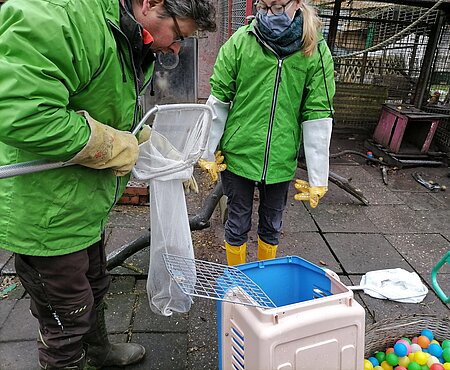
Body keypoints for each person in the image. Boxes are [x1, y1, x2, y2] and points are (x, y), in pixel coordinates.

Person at [0, 0, 216, 368]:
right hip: (45, 210)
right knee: (66, 316)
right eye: (179, 34)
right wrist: (111, 145)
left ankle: (99, 353)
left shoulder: (126, 35)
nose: (177, 48)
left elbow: (104, 109)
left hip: (82, 200)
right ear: (150, 3)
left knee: (95, 286)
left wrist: (149, 144)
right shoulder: (60, 17)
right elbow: (21, 113)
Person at [199, 0, 335, 266]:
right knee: (237, 220)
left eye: (276, 7)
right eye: (262, 6)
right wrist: (205, 150)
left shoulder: (315, 50)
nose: (267, 14)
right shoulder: (241, 42)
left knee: (272, 223)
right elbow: (219, 99)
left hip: (281, 156)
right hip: (238, 152)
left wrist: (319, 175)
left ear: (297, 3)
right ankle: (237, 281)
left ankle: (264, 277)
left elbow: (318, 111)